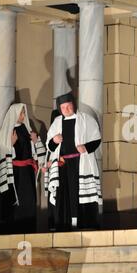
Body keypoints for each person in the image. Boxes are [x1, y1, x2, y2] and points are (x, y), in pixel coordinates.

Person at [45, 92, 102, 231]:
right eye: (63, 107)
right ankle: (63, 225)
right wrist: (54, 140)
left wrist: (86, 147)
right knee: (64, 194)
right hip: (63, 165)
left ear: (73, 105)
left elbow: (96, 139)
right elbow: (49, 146)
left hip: (80, 163)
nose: (66, 109)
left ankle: (85, 224)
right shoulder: (57, 122)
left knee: (81, 193)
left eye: (68, 106)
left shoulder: (86, 119)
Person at [0, 103, 46, 234]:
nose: (23, 116)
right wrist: (10, 144)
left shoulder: (26, 128)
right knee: (14, 204)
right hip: (15, 175)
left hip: (27, 175)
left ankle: (28, 231)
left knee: (28, 203)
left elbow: (35, 151)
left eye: (24, 113)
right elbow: (0, 151)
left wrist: (36, 141)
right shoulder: (7, 131)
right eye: (21, 113)